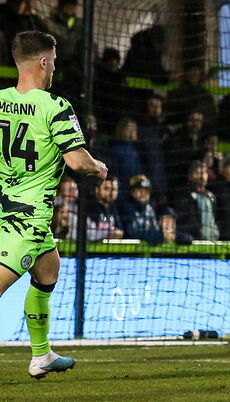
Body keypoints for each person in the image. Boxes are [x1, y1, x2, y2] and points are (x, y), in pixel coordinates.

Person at [0, 31, 108, 378]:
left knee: (48, 269)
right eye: (54, 63)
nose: (55, 70)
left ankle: (42, 354)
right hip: (27, 217)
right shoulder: (55, 106)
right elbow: (76, 161)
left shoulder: (0, 100)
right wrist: (98, 167)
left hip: (5, 206)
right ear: (44, 62)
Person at [175, 160, 220, 241]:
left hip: (210, 242)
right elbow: (180, 222)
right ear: (190, 176)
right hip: (193, 241)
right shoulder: (184, 196)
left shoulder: (211, 197)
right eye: (197, 172)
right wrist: (196, 229)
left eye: (204, 173)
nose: (202, 176)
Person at [119, 175, 169, 245]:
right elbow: (131, 234)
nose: (143, 194)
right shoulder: (126, 208)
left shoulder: (149, 209)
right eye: (140, 190)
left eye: (146, 191)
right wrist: (160, 236)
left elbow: (155, 230)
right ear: (132, 192)